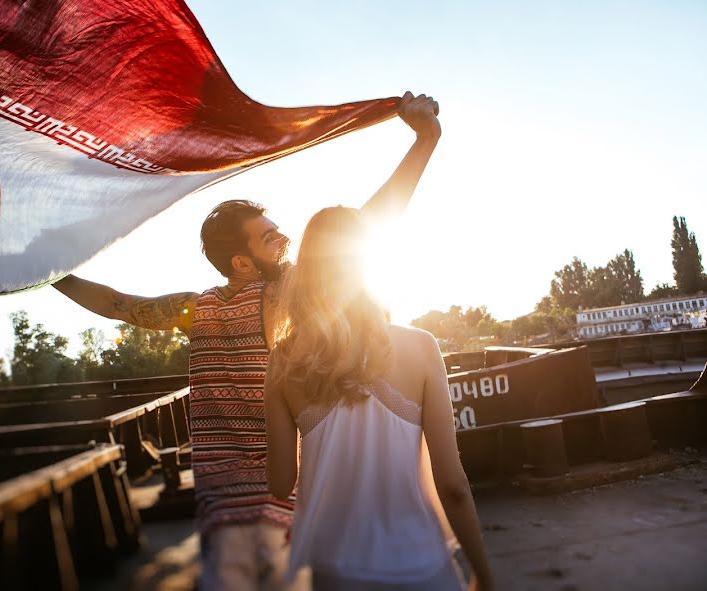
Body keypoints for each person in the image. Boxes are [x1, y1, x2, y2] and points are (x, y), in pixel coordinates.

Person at [53, 91, 441, 591]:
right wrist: (424, 141)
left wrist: (46, 274)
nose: (285, 244)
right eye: (272, 239)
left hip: (221, 512)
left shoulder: (194, 309)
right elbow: (362, 226)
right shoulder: (282, 295)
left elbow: (115, 303)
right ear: (242, 262)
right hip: (280, 507)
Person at [264, 207, 493, 590]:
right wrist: (482, 573)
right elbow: (452, 484)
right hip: (422, 566)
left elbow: (280, 481)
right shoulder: (421, 347)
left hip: (337, 570)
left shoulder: (283, 360)